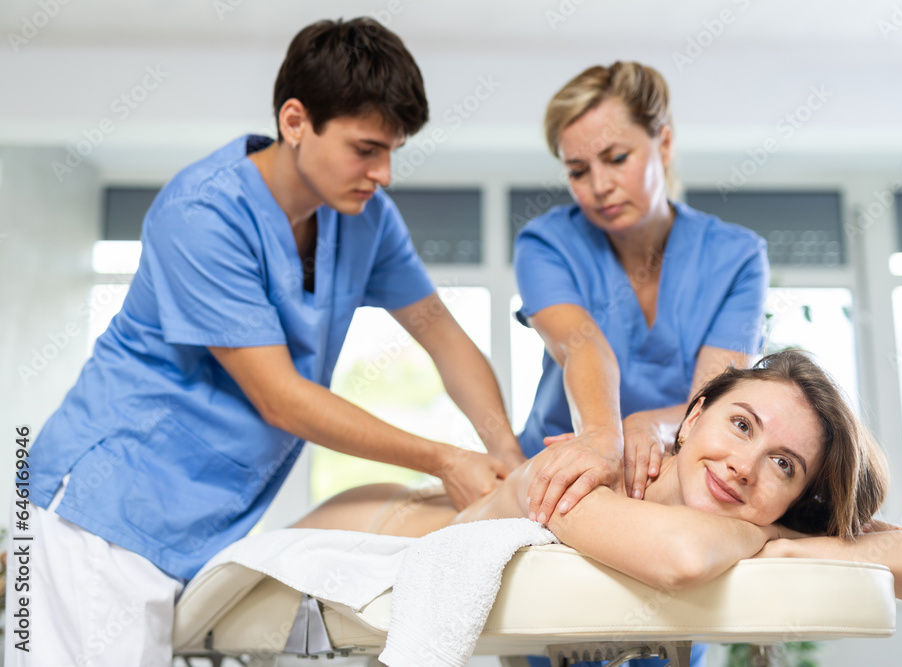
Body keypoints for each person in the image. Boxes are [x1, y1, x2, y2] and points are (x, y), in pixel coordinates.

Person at [9, 18, 524, 666]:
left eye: (393, 150)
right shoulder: (203, 214)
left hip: (192, 526)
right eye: (366, 148)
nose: (384, 173)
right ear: (295, 120)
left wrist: (505, 451)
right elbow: (281, 397)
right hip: (99, 512)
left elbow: (442, 336)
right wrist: (445, 459)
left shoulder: (364, 221)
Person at [296, 350, 902, 604]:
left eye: (783, 465)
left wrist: (797, 539)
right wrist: (767, 535)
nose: (744, 464)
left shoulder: (743, 517)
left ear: (799, 492)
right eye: (741, 424)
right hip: (359, 529)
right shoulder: (589, 474)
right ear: (695, 413)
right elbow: (678, 556)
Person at [512, 62, 770, 533]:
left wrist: (649, 426)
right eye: (577, 170)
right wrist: (600, 436)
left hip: (671, 481)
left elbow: (713, 402)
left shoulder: (737, 256)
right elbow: (581, 343)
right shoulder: (545, 244)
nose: (599, 186)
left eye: (616, 158)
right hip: (559, 470)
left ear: (664, 144)